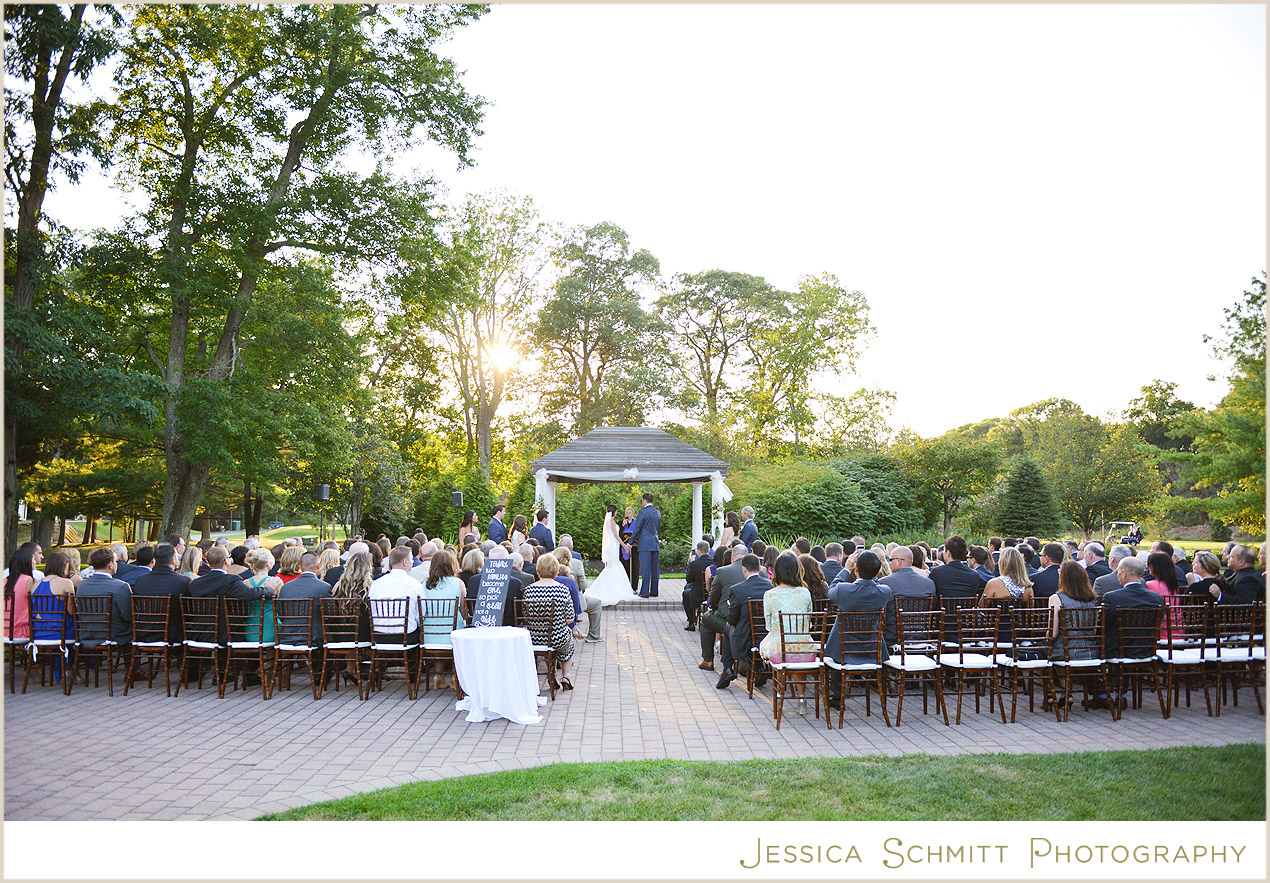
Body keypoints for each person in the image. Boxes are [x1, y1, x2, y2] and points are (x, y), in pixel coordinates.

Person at [824, 550, 894, 709]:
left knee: (837, 641)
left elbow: (830, 590)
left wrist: (846, 569)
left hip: (842, 651)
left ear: (856, 569)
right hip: (872, 648)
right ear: (877, 572)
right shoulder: (884, 591)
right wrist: (870, 574)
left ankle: (836, 694)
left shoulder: (843, 590)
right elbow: (874, 583)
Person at [522, 552, 577, 690]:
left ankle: (553, 675)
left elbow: (525, 616)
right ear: (556, 569)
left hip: (535, 637)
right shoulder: (563, 590)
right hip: (558, 637)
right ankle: (566, 676)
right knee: (568, 642)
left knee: (548, 645)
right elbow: (570, 619)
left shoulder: (529, 590)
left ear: (538, 569)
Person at [720, 554, 773, 690]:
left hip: (745, 639)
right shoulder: (771, 587)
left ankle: (727, 668)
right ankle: (758, 668)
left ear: (743, 569)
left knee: (727, 627)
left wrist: (731, 607)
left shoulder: (737, 589)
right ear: (760, 568)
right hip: (767, 636)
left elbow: (732, 619)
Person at [421, 549, 467, 689]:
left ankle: (438, 675)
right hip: (453, 634)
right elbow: (463, 611)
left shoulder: (424, 584)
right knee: (458, 631)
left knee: (439, 635)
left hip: (429, 634)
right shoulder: (458, 583)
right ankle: (454, 675)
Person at [77, 546, 134, 656]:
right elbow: (128, 615)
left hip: (88, 633)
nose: (117, 564)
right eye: (116, 561)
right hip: (114, 634)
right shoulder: (121, 586)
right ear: (110, 565)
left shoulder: (82, 585)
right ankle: (131, 665)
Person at [758, 552, 813, 662]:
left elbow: (769, 627)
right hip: (805, 650)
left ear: (777, 571)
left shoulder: (769, 595)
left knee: (767, 646)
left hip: (779, 652)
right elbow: (808, 623)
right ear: (797, 570)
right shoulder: (805, 593)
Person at [133, 544, 191, 643]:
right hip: (173, 636)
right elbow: (188, 611)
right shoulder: (183, 582)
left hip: (144, 633)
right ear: (173, 560)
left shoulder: (141, 581)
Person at [1048, 559, 1097, 662]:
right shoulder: (1092, 599)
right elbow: (1095, 630)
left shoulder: (1056, 598)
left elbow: (1053, 634)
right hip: (1092, 652)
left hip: (1065, 652)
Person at [629, 492, 662, 598]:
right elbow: (658, 527)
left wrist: (630, 542)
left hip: (645, 543)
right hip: (655, 542)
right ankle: (654, 591)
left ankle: (644, 591)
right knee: (655, 569)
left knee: (645, 568)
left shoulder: (642, 512)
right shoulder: (657, 512)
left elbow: (637, 528)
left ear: (644, 500)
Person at [4, 546, 36, 643]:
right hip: (21, 631)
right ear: (27, 562)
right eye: (33, 559)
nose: (35, 562)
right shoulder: (29, 581)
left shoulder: (4, 581)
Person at [683, 540, 713, 631]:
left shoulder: (695, 564)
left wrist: (691, 563)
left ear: (699, 552)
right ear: (708, 550)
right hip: (711, 594)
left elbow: (689, 580)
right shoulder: (713, 562)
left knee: (685, 594)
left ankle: (691, 622)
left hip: (698, 595)